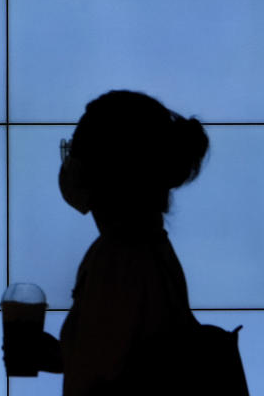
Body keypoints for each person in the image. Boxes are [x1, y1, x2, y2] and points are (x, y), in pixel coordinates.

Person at [37, 90, 210, 395]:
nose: (70, 164)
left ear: (107, 166)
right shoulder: (148, 249)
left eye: (76, 150)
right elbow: (130, 362)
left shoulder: (120, 259)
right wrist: (65, 356)